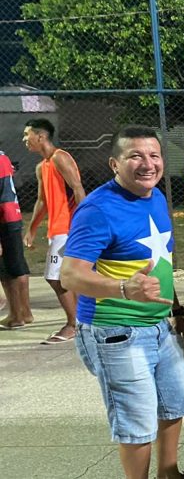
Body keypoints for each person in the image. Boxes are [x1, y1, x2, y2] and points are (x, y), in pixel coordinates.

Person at [60, 126, 184, 479]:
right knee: (137, 423)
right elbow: (69, 275)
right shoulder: (97, 209)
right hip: (116, 331)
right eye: (135, 156)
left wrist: (176, 310)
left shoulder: (155, 197)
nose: (148, 164)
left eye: (154, 155)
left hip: (160, 326)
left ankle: (169, 474)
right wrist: (123, 289)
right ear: (115, 164)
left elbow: (161, 262)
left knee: (174, 404)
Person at [22, 118, 85, 344]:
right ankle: (81, 323)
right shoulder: (42, 166)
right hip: (56, 229)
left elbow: (78, 189)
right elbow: (42, 200)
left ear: (41, 136)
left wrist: (83, 225)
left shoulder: (60, 157)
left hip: (69, 228)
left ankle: (73, 325)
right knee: (66, 278)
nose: (24, 139)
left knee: (55, 277)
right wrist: (31, 229)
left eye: (27, 134)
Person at [0, 147, 32, 329]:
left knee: (8, 269)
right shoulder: (3, 156)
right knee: (16, 265)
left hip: (4, 217)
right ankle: (24, 312)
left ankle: (17, 315)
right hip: (12, 214)